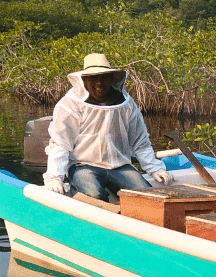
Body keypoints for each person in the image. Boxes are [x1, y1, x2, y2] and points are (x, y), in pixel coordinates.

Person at [43, 53, 171, 202]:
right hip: (83, 166)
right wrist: (54, 176)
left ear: (112, 79)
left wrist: (154, 168)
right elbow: (60, 143)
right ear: (84, 79)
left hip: (120, 166)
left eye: (104, 77)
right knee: (94, 196)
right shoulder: (70, 104)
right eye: (93, 78)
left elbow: (140, 141)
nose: (99, 83)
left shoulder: (126, 104)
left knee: (148, 198)